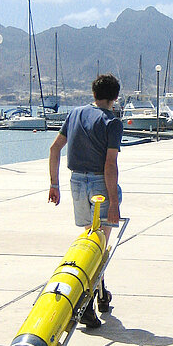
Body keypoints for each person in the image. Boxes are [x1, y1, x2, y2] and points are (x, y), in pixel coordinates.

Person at [48, 74, 122, 329]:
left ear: (93, 93)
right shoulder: (112, 121)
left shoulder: (74, 113)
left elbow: (54, 148)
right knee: (98, 249)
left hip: (76, 183)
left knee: (89, 243)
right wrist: (113, 202)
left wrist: (54, 184)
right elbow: (110, 164)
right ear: (115, 97)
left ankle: (101, 295)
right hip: (101, 185)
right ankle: (87, 305)